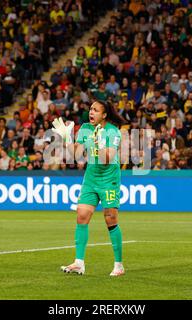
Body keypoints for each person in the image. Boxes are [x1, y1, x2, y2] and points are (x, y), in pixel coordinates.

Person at [53, 100, 126, 276]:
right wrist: (67, 138)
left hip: (109, 179)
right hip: (91, 178)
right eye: (90, 109)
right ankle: (79, 263)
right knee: (82, 215)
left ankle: (119, 265)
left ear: (104, 114)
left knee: (110, 219)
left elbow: (108, 158)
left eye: (95, 110)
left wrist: (99, 143)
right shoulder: (85, 128)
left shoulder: (113, 132)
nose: (91, 112)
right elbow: (76, 154)